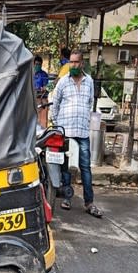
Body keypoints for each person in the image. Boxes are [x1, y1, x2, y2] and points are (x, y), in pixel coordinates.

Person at [51, 49, 103, 218]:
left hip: (82, 132)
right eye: (71, 62)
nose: (72, 65)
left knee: (85, 168)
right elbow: (55, 103)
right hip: (65, 131)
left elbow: (89, 103)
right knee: (65, 168)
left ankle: (89, 202)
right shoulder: (63, 82)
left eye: (75, 62)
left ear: (82, 64)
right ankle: (67, 198)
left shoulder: (89, 82)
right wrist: (57, 125)